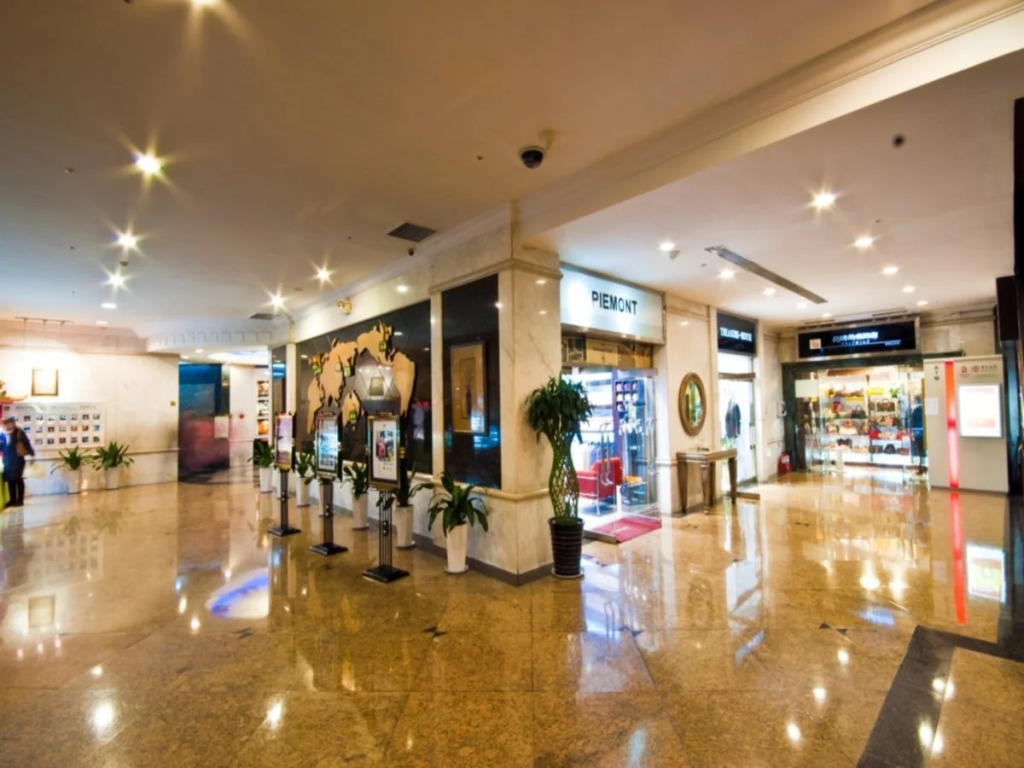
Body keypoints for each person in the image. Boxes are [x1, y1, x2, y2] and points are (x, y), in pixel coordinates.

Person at [1, 416, 35, 508]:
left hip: (18, 459)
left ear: (12, 423)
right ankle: (12, 500)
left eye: (8, 423)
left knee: (18, 479)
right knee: (10, 480)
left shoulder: (19, 432)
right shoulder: (3, 434)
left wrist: (32, 454)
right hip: (7, 459)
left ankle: (20, 500)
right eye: (5, 423)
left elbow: (27, 443)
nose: (7, 425)